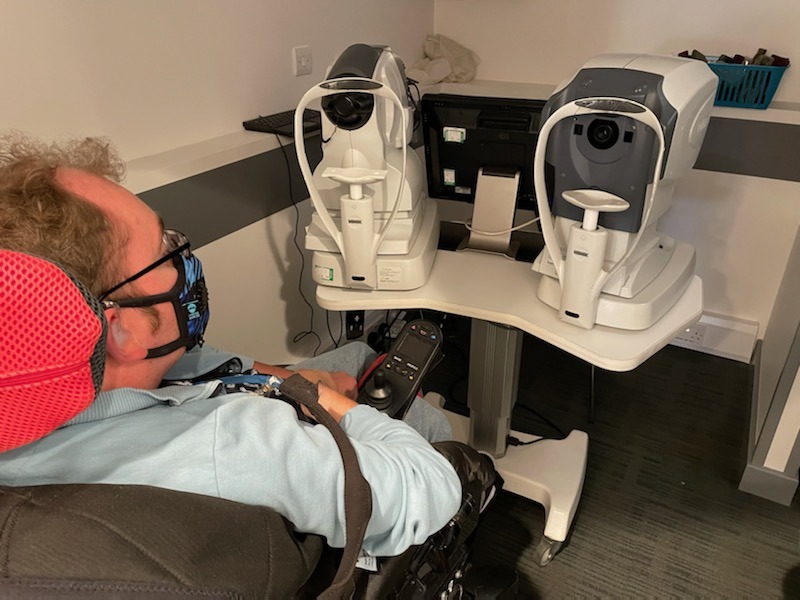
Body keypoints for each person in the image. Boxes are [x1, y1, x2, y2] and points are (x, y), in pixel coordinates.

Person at [0, 131, 462, 557]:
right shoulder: (233, 445)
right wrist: (326, 403)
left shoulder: (35, 401)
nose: (183, 253)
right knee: (424, 422)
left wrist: (296, 382)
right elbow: (429, 484)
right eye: (165, 247)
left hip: (249, 405)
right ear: (122, 330)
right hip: (371, 483)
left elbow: (207, 365)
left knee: (359, 356)